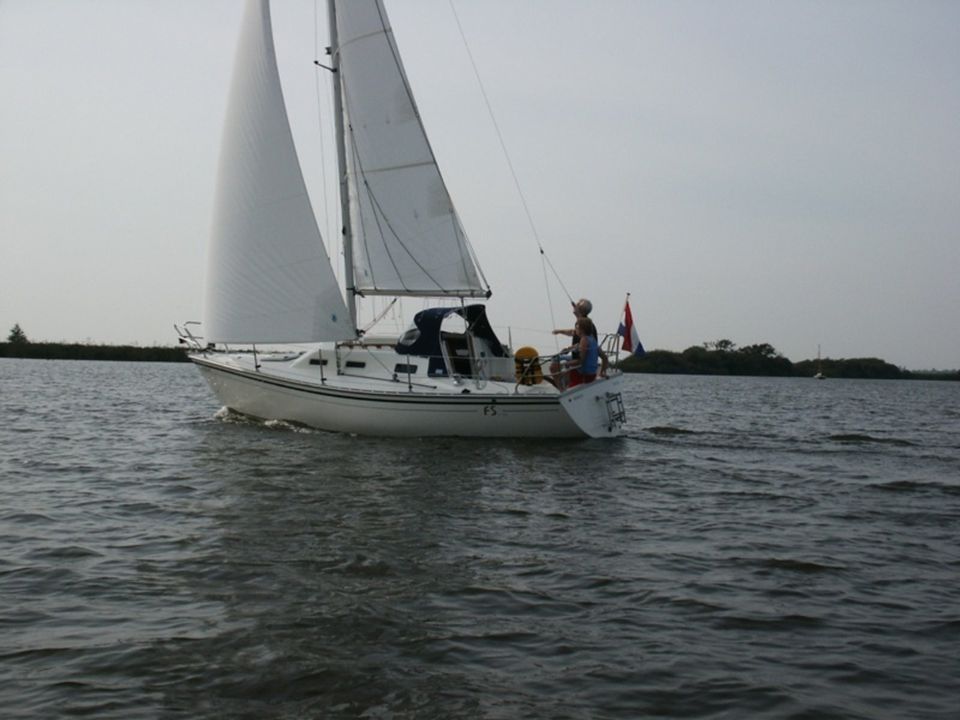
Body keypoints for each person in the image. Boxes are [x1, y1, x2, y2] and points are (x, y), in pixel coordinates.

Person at [566, 317, 600, 387]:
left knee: (563, 364)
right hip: (593, 374)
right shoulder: (592, 339)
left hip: (584, 375)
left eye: (576, 328)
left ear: (582, 329)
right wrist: (602, 372)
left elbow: (581, 361)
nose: (575, 330)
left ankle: (566, 388)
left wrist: (566, 364)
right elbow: (605, 358)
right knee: (566, 361)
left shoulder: (584, 339)